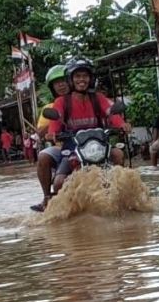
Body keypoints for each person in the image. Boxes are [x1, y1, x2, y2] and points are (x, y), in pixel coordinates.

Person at [33, 58, 126, 212]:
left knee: (118, 154)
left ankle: (123, 197)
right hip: (72, 148)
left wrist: (122, 124)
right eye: (77, 76)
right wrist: (52, 133)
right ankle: (52, 201)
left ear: (91, 79)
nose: (81, 80)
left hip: (99, 146)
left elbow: (110, 112)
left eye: (85, 76)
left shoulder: (98, 98)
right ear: (71, 79)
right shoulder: (62, 102)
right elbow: (56, 120)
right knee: (59, 182)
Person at [31, 64, 71, 211]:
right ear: (52, 87)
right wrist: (56, 124)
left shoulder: (84, 100)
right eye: (56, 82)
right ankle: (47, 197)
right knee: (43, 156)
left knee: (116, 153)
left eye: (63, 80)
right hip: (63, 148)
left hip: (89, 145)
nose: (61, 85)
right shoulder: (50, 107)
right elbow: (40, 131)